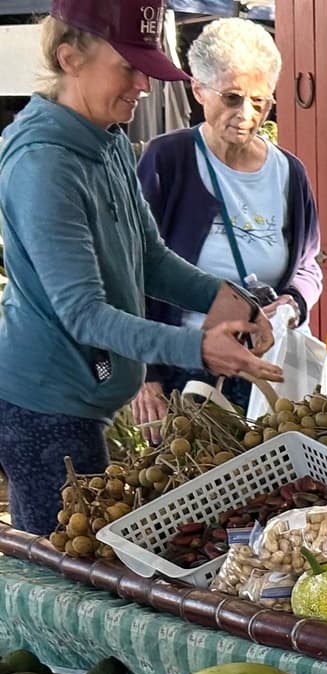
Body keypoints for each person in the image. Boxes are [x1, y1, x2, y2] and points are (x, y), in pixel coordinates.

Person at [0, 0, 278, 537]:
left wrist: (232, 302)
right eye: (127, 67)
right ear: (69, 58)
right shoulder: (44, 164)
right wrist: (195, 347)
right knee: (69, 580)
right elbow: (83, 314)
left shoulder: (107, 143)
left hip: (87, 400)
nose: (143, 86)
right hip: (44, 407)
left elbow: (147, 257)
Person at [135, 17, 321, 417]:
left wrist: (293, 302)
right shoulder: (168, 160)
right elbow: (134, 267)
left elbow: (308, 266)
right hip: (188, 371)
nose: (247, 114)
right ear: (198, 89)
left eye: (261, 101)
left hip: (270, 370)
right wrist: (147, 373)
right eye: (233, 97)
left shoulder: (289, 172)